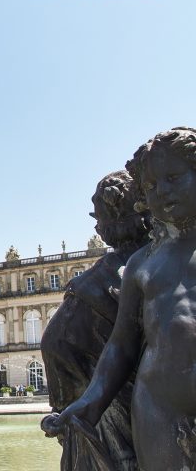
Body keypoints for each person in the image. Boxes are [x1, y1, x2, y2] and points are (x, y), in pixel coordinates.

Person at [42, 127, 196, 471]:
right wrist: (89, 403)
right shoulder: (142, 264)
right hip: (159, 409)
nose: (162, 191)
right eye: (151, 186)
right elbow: (120, 345)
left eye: (173, 177)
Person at [40, 170, 150, 470]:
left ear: (102, 225)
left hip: (112, 420)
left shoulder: (91, 284)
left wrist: (65, 410)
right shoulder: (174, 260)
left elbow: (54, 345)